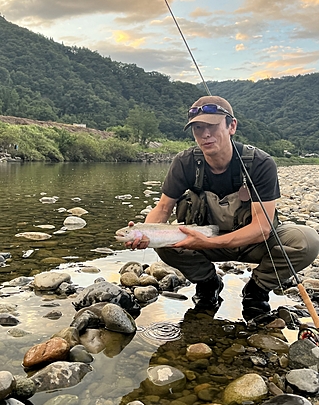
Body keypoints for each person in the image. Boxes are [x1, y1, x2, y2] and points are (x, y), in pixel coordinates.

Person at [130, 95, 319, 320]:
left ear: (232, 126)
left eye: (212, 126)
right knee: (165, 243)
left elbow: (262, 228)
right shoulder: (185, 162)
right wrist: (144, 233)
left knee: (307, 240)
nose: (205, 135)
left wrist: (209, 242)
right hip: (205, 241)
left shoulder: (260, 163)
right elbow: (162, 209)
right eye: (198, 128)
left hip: (253, 243)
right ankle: (208, 283)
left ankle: (256, 291)